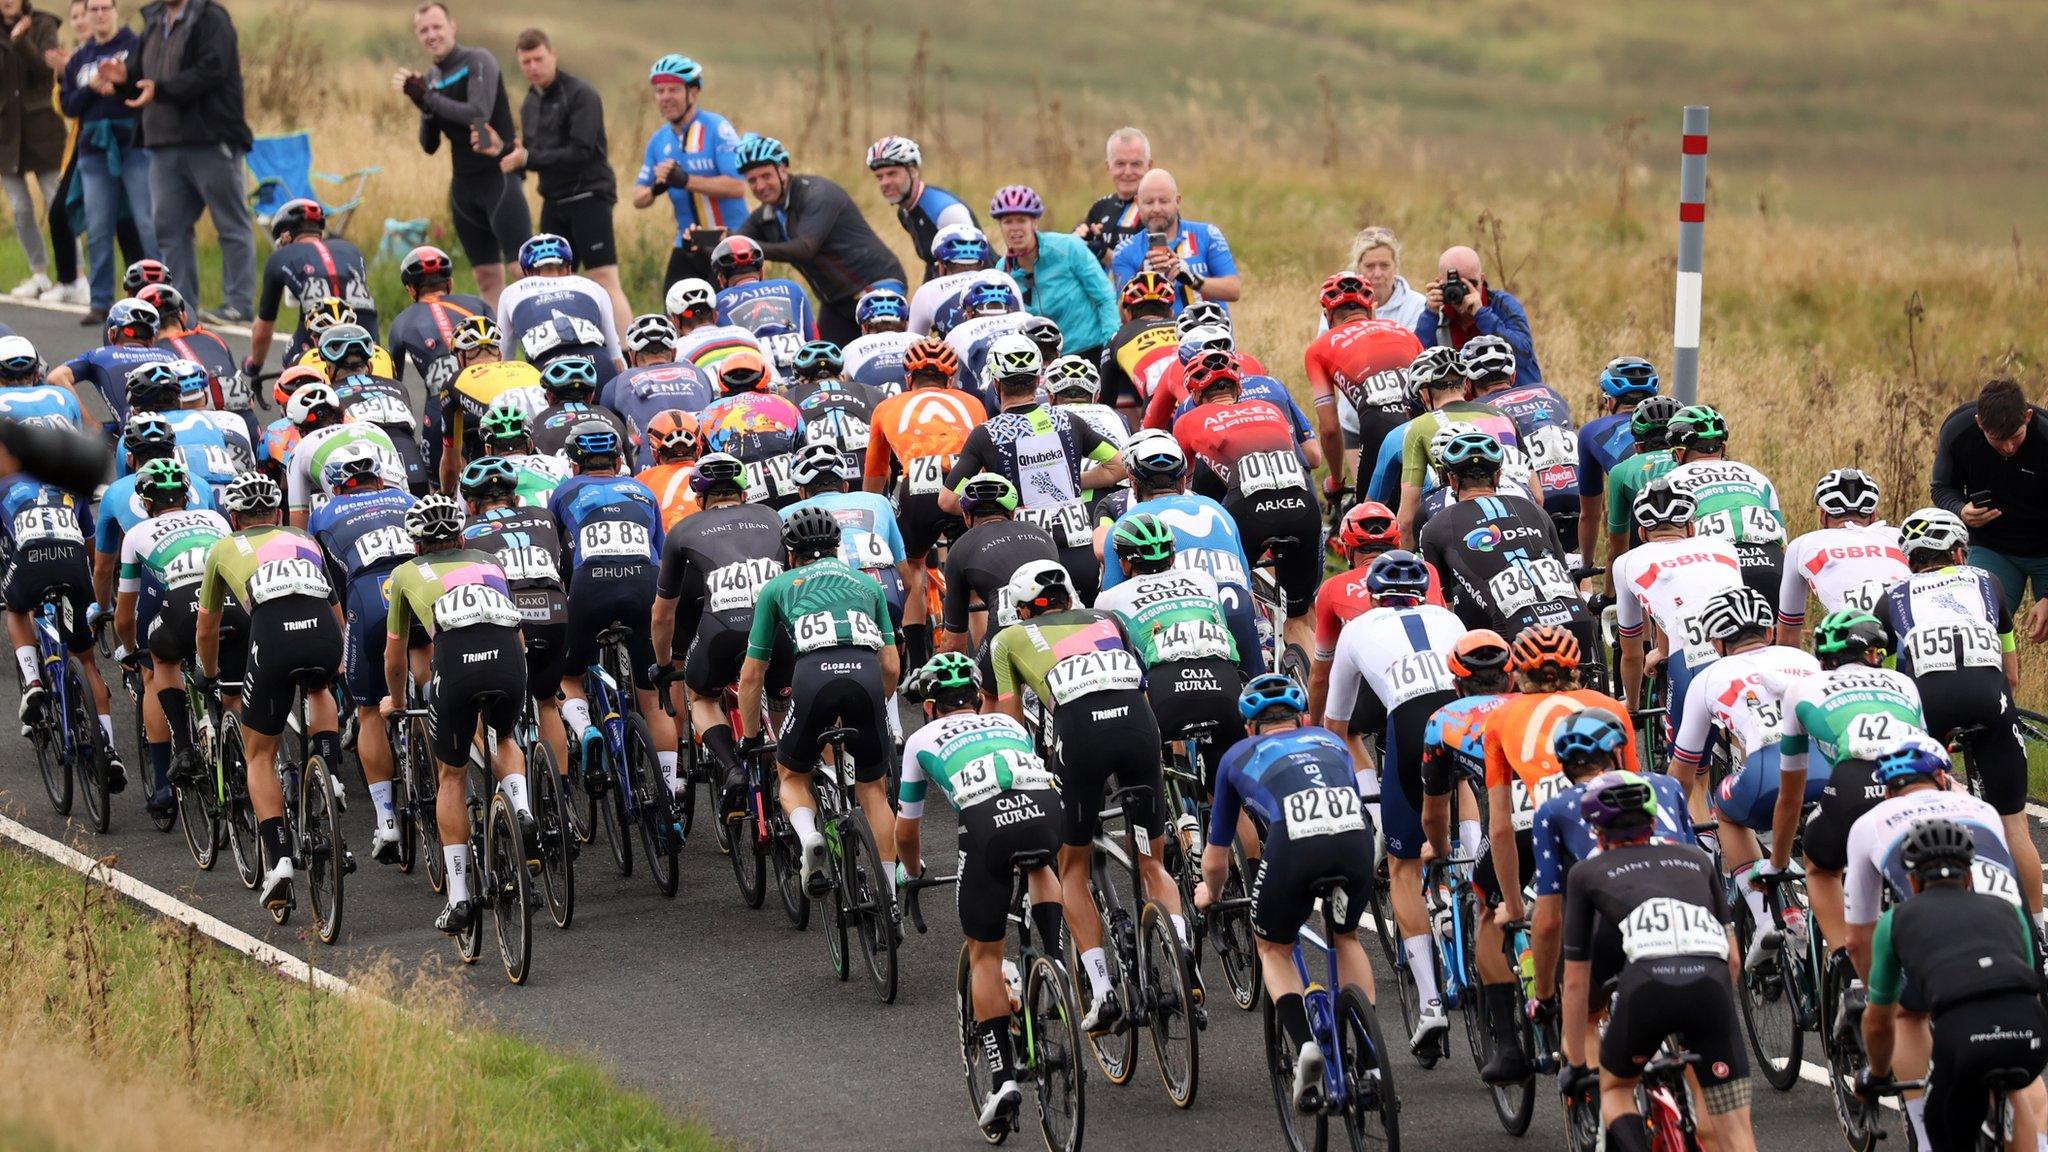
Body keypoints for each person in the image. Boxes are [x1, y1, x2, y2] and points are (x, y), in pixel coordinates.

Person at [989, 559, 1187, 1027]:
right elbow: (1139, 686)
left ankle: (1102, 992)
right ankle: (1183, 961)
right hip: (1140, 730)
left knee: (1071, 868)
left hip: (1081, 736)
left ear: (1023, 608)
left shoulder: (1009, 640)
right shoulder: (1107, 620)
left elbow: (1011, 723)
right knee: (1152, 861)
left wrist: (1029, 778)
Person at [896, 651, 1066, 1134]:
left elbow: (907, 831)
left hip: (987, 827)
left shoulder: (920, 739)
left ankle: (1002, 1079)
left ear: (930, 707)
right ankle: (1048, 965)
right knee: (1039, 862)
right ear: (975, 698)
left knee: (984, 955)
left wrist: (912, 873)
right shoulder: (1008, 725)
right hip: (1044, 809)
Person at [1199, 675, 1378, 1110]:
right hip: (1355, 839)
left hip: (1294, 843)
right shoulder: (1329, 741)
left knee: (1273, 947)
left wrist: (1211, 893)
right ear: (1301, 719)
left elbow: (1218, 856)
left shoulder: (1236, 756)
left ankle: (1304, 1046)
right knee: (1346, 935)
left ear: (1249, 727)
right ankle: (1372, 1062)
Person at [1844, 736, 2031, 1151]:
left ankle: (1923, 1133)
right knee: (2024, 1077)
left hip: (1941, 952)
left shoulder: (1870, 823)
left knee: (1904, 1015)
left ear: (1887, 790)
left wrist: (1882, 994)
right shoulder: (1982, 810)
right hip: (2010, 943)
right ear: (1943, 777)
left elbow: (1858, 937)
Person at [1558, 771, 1757, 1152]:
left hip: (1646, 986)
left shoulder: (1585, 873)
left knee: (1614, 1088)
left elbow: (1575, 981)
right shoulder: (1695, 858)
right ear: (1653, 822)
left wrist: (1576, 1061)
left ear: (1597, 834)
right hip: (1711, 987)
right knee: (1734, 1129)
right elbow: (1733, 957)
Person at [1322, 549, 1465, 1052]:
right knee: (1460, 778)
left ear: (1374, 597)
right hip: (1463, 715)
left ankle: (1429, 1003)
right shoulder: (1447, 616)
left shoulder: (1356, 632)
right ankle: (1469, 860)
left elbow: (1337, 726)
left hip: (1407, 726)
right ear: (1423, 592)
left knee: (1404, 869)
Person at [380, 493, 532, 933]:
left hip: (457, 664)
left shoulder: (406, 573)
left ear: (416, 545)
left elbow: (395, 659)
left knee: (452, 774)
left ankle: (460, 897)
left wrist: (397, 703)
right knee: (504, 738)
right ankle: (522, 810)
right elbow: (518, 641)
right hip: (508, 661)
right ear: (462, 535)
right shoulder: (488, 561)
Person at [1881, 506, 2040, 922]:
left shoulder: (1894, 596)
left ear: (1910, 559)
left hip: (1928, 704)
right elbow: (2013, 673)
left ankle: (1925, 912)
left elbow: (1879, 677)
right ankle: (2038, 931)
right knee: (2015, 825)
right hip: (1989, 700)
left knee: (1916, 809)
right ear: (1957, 553)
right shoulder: (1988, 582)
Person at [194, 472, 342, 908]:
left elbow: (208, 627)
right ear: (277, 514)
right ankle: (330, 773)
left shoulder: (222, 549)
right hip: (322, 630)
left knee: (259, 752)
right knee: (319, 689)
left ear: (234, 518)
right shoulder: (303, 538)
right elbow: (338, 613)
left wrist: (211, 671)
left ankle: (279, 861)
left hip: (272, 636)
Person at [736, 505, 899, 892]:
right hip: (865, 678)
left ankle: (810, 836)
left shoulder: (777, 587)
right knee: (873, 790)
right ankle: (890, 893)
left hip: (811, 679)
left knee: (791, 774)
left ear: (790, 553)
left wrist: (751, 738)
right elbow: (890, 666)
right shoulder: (868, 585)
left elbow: (752, 674)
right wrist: (877, 702)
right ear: (837, 546)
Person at [1860, 816, 2048, 1152]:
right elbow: (2031, 982)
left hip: (1963, 1037)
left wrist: (1876, 1075)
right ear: (1969, 876)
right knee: (2018, 1090)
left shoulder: (1895, 921)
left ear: (1913, 882)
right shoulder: (2006, 907)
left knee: (1942, 1131)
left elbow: (1879, 1020)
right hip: (2029, 1031)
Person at [1668, 585, 1823, 964]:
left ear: (1717, 643)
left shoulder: (1708, 677)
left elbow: (1683, 769)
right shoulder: (1802, 658)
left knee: (1724, 811)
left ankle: (1768, 914)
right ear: (1769, 632)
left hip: (1768, 774)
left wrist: (1673, 820)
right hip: (1830, 766)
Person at [1773, 610, 1926, 956]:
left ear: (1824, 659)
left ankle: (1846, 960)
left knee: (1821, 868)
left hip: (1855, 782)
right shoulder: (1905, 684)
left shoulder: (1801, 689)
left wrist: (1777, 863)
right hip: (1918, 783)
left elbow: (1790, 796)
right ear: (1873, 655)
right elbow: (1929, 752)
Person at [546, 421, 680, 800]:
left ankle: (586, 728)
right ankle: (668, 793)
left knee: (569, 679)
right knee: (652, 698)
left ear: (574, 463)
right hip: (645, 586)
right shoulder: (642, 490)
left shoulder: (563, 492)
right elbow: (662, 553)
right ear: (620, 460)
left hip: (590, 587)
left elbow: (559, 558)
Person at [98, 0, 252, 322]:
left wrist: (162, 90)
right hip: (163, 143)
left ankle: (238, 305)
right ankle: (181, 310)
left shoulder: (211, 17)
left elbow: (212, 69)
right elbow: (143, 77)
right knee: (169, 228)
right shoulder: (154, 21)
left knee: (230, 223)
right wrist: (123, 77)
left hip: (210, 139)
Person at [941, 335, 1124, 603]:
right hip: (1079, 549)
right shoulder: (1068, 421)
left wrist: (995, 508)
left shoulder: (986, 434)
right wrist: (1073, 480)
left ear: (995, 384)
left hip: (1025, 552)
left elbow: (947, 500)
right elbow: (1118, 466)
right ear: (1038, 380)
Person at [649, 451, 783, 818]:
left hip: (722, 631)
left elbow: (663, 616)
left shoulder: (683, 531)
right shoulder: (772, 517)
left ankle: (731, 768)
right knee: (784, 695)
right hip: (778, 629)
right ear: (743, 493)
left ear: (699, 499)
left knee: (702, 698)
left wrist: (663, 664)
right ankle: (792, 773)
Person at [1171, 349, 1321, 657]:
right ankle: (1311, 688)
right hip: (1303, 507)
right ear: (1238, 388)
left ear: (1196, 395)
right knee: (1298, 617)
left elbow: (1179, 488)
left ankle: (1248, 660)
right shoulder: (1271, 410)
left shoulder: (1188, 420)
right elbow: (1305, 459)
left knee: (1224, 598)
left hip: (1250, 511)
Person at [112, 455, 231, 817]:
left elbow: (123, 613)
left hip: (181, 606)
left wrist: (133, 650)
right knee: (229, 668)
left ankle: (180, 753)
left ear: (146, 504)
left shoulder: (135, 535)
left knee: (160, 660)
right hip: (231, 603)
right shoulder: (215, 519)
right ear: (186, 495)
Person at [490, 28, 629, 332]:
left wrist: (527, 158)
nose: (532, 67)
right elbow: (531, 155)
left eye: (538, 59)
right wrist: (501, 152)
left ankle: (627, 350)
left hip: (589, 196)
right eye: (525, 62)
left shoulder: (582, 94)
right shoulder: (529, 103)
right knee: (549, 281)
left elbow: (580, 151)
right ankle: (560, 343)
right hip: (553, 200)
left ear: (552, 56)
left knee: (603, 277)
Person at [1097, 430, 1262, 680]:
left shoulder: (1130, 525)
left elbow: (1111, 609)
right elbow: (1247, 585)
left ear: (1133, 483)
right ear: (1183, 481)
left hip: (1185, 628)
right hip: (1238, 610)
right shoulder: (1217, 508)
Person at [393, 2, 526, 307]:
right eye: (423, 30)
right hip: (464, 186)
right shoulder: (433, 78)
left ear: (453, 26)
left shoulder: (478, 60)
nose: (431, 34)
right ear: (418, 35)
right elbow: (430, 146)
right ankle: (495, 351)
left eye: (437, 26)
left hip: (498, 177)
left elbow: (478, 113)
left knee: (521, 269)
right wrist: (424, 106)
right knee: (486, 277)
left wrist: (428, 98)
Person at [1095, 512, 1247, 779]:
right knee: (1226, 786)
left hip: (1166, 692)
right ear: (1173, 557)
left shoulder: (1107, 599)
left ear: (1123, 564)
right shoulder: (1203, 580)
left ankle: (1169, 803)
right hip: (1224, 683)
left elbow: (1116, 668)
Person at [458, 455, 569, 805]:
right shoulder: (545, 517)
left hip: (506, 624)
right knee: (548, 702)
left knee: (478, 714)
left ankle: (515, 798)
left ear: (471, 504)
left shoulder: (466, 534)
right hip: (554, 613)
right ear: (516, 498)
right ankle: (562, 795)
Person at [1417, 430, 1589, 649]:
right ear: (1498, 476)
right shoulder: (1533, 508)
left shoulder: (1434, 527)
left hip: (1515, 633)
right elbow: (1568, 579)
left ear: (1451, 479)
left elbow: (1442, 609)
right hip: (1575, 621)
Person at [734, 135, 906, 346]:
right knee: (828, 366)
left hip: (876, 285)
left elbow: (805, 248)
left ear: (782, 170)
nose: (760, 185)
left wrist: (749, 248)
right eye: (752, 180)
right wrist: (707, 242)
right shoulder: (767, 214)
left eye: (766, 176)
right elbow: (735, 244)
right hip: (837, 303)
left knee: (886, 358)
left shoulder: (816, 194)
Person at [0, 467, 115, 772]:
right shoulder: (70, 484)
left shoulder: (5, 485)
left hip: (30, 559)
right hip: (73, 562)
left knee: (14, 607)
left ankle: (34, 680)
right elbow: (92, 550)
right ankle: (110, 751)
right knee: (87, 661)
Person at [1611, 477, 1744, 731]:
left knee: (1687, 766)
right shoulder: (1723, 547)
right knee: (1745, 732)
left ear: (1641, 532)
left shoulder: (1627, 562)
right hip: (1744, 647)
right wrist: (1663, 649)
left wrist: (1632, 704)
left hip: (1690, 658)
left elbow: (1632, 651)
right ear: (1691, 528)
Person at [56, 0, 157, 320]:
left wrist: (119, 82)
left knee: (146, 222)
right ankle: (100, 301)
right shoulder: (80, 59)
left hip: (132, 144)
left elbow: (142, 85)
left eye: (105, 8)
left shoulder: (133, 45)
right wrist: (93, 88)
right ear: (85, 15)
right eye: (93, 9)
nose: (99, 14)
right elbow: (70, 105)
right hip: (93, 151)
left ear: (115, 11)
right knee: (98, 227)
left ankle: (160, 294)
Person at [1929, 378, 2048, 631]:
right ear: (1979, 423)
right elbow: (1941, 488)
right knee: (1977, 623)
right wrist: (1959, 510)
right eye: (1997, 439)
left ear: (2027, 417)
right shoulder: (1957, 431)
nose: (2008, 447)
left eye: (2016, 437)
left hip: (2046, 549)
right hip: (1993, 547)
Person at [1310, 499, 1444, 720]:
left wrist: (1314, 726)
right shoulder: (1427, 570)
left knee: (1348, 729)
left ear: (1348, 548)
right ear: (1397, 543)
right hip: (1438, 674)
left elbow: (1320, 676)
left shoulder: (1331, 588)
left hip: (1380, 684)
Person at [630, 53, 745, 291]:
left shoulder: (717, 128)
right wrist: (656, 188)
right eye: (660, 91)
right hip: (688, 240)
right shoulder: (658, 140)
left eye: (673, 90)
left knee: (726, 315)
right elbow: (638, 198)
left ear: (692, 92)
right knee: (674, 318)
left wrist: (685, 180)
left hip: (728, 238)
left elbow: (737, 186)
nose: (665, 97)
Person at [1303, 271, 1423, 496]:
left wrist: (1337, 481)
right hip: (1426, 423)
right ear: (1371, 309)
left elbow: (1329, 429)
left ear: (1328, 315)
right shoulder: (1403, 331)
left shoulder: (1318, 349)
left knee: (1368, 519)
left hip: (1379, 426)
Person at [1392, 345, 1517, 544]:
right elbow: (1536, 494)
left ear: (1424, 393)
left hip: (1469, 523)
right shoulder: (1503, 414)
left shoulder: (1418, 427)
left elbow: (1407, 519)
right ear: (1466, 384)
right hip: (1520, 514)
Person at [1775, 468, 1908, 644]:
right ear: (1873, 516)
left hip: (1854, 642)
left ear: (1822, 516)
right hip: (1911, 635)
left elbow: (1789, 627)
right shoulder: (1898, 536)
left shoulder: (1802, 544)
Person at [247, 199, 377, 371]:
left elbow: (263, 330)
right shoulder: (351, 249)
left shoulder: (280, 257)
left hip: (320, 327)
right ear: (320, 235)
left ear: (285, 238)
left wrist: (254, 365)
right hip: (365, 327)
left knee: (291, 367)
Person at [936, 474, 1058, 655]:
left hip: (1008, 622)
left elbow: (954, 642)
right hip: (1059, 614)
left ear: (967, 516)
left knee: (979, 681)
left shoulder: (960, 548)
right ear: (1012, 512)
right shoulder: (1041, 533)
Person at [989, 184, 1115, 359]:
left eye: (1021, 220)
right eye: (1007, 221)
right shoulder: (1003, 271)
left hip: (1089, 349)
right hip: (1042, 360)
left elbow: (1105, 297)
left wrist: (1110, 345)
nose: (1015, 228)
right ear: (1000, 226)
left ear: (1034, 222)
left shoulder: (1069, 248)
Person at [384, 245, 488, 437]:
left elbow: (394, 384)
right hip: (486, 398)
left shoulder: (401, 322)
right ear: (450, 283)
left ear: (411, 289)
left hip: (441, 409)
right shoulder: (477, 304)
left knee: (437, 467)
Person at [495, 232, 624, 383]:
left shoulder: (511, 292)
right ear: (568, 268)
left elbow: (504, 359)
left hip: (545, 369)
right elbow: (616, 354)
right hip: (597, 365)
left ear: (528, 272)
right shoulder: (592, 287)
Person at [1106, 168, 1240, 314]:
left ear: (1177, 201)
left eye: (1164, 201)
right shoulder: (1124, 251)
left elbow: (1233, 290)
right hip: (1154, 335)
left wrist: (1191, 279)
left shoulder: (1207, 234)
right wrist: (1140, 278)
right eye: (1149, 202)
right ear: (1137, 202)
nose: (1156, 209)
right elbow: (1120, 315)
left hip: (1208, 332)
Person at [0, 0, 62, 302]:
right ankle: (38, 274)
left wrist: (21, 41)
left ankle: (72, 276)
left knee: (57, 203)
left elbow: (45, 71)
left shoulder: (44, 24)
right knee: (21, 207)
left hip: (42, 131)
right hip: (5, 136)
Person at [1416, 246, 1540, 386]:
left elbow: (1524, 356)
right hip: (1468, 405)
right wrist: (1430, 315)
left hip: (1514, 398)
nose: (1463, 292)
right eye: (1454, 285)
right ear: (1439, 284)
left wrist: (1482, 314)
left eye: (1471, 283)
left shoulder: (1502, 304)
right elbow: (1418, 366)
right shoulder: (1437, 316)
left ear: (1482, 280)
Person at [1576, 357, 1660, 563]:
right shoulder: (1677, 421)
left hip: (1639, 513)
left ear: (1610, 400)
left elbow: (1590, 515)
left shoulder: (1590, 432)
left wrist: (1586, 565)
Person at [440, 314, 540, 484]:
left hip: (509, 449)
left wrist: (446, 494)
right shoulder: (526, 367)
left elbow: (451, 464)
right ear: (499, 353)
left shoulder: (456, 379)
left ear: (461, 358)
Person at [696, 349, 803, 507]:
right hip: (791, 483)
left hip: (741, 489)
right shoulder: (784, 402)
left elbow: (701, 461)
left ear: (722, 385)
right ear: (765, 382)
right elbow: (801, 446)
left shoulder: (708, 413)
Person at [46, 297, 171, 431]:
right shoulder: (169, 356)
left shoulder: (99, 355)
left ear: (112, 333)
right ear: (152, 339)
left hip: (135, 438)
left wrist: (93, 427)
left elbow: (55, 377)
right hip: (177, 432)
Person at [603, 315, 710, 468]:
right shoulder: (698, 373)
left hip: (654, 459)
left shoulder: (619, 382)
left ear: (632, 356)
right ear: (673, 352)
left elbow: (613, 438)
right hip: (702, 456)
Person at [864, 134, 972, 283]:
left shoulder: (945, 210)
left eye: (892, 174)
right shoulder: (904, 212)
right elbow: (932, 262)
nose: (885, 182)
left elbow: (974, 265)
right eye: (879, 177)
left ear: (913, 170)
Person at [710, 233, 817, 364]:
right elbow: (814, 339)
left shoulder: (716, 302)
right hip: (802, 374)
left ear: (721, 278)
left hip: (755, 378)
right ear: (761, 271)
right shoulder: (793, 288)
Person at [1602, 394, 1681, 567]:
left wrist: (1608, 595)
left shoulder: (1621, 470)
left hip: (1648, 555)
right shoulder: (1691, 461)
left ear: (1637, 447)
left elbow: (1616, 551)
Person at [1097, 270, 1177, 423]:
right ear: (1171, 312)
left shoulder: (1117, 338)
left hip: (1160, 412)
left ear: (1126, 313)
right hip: (1205, 400)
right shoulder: (1186, 327)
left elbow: (1106, 406)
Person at [906, 223, 1011, 338]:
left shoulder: (927, 291)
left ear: (941, 264)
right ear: (981, 261)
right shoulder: (1005, 281)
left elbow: (912, 343)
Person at [528, 355, 631, 459]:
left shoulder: (536, 422)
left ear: (549, 396)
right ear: (591, 396)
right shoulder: (612, 418)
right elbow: (631, 471)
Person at [1075, 126, 1149, 264]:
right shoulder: (1100, 207)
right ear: (1108, 166)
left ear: (1149, 166)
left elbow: (1152, 270)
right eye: (1120, 164)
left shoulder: (1157, 209)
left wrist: (1103, 253)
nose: (1128, 172)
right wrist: (1078, 240)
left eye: (1136, 164)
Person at [1343, 226, 1426, 332]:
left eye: (1384, 265)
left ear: (1395, 266)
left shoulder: (1416, 305)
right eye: (1369, 266)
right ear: (1358, 268)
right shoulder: (1339, 303)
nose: (1377, 274)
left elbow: (1415, 347)